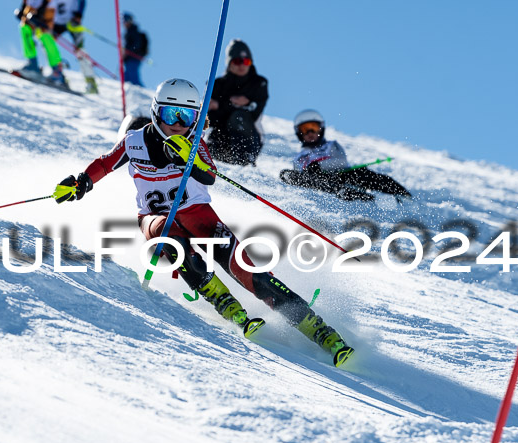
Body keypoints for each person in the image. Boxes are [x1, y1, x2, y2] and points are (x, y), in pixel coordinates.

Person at [54, 78, 354, 367]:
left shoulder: (193, 142)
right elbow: (106, 163)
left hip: (199, 215)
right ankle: (226, 305)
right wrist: (81, 183)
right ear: (157, 111)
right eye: (173, 114)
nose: (180, 123)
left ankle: (321, 332)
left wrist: (191, 160)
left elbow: (208, 175)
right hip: (156, 219)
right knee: (174, 244)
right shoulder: (134, 141)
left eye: (188, 116)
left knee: (252, 274)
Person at [280, 110, 412, 201]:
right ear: (299, 133)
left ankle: (401, 194)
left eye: (313, 128)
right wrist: (310, 170)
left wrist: (320, 165)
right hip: (318, 179)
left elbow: (341, 160)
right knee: (287, 174)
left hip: (341, 174)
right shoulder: (300, 156)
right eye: (305, 129)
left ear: (321, 129)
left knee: (361, 173)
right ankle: (342, 191)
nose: (310, 132)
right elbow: (298, 171)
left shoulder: (331, 145)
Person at [207, 39, 268, 166]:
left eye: (246, 61)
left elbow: (254, 112)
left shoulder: (259, 83)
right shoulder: (217, 84)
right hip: (221, 138)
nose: (242, 65)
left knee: (238, 117)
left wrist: (221, 106)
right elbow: (211, 117)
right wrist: (236, 104)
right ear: (229, 63)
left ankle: (245, 161)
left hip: (249, 140)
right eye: (237, 61)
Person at [15, 0, 68, 87]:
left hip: (47, 12)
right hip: (32, 11)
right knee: (25, 28)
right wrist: (22, 11)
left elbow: (50, 12)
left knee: (45, 36)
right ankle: (32, 65)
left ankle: (57, 71)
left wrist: (41, 19)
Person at [50, 0, 98, 94]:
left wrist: (79, 14)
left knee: (80, 50)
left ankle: (91, 82)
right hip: (56, 22)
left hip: (72, 21)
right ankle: (57, 73)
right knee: (47, 43)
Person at [122, 12, 147, 86]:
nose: (124, 23)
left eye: (126, 20)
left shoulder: (133, 31)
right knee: (126, 76)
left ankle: (140, 92)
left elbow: (136, 45)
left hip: (134, 57)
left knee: (132, 76)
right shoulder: (129, 32)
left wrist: (127, 51)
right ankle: (129, 91)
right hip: (130, 57)